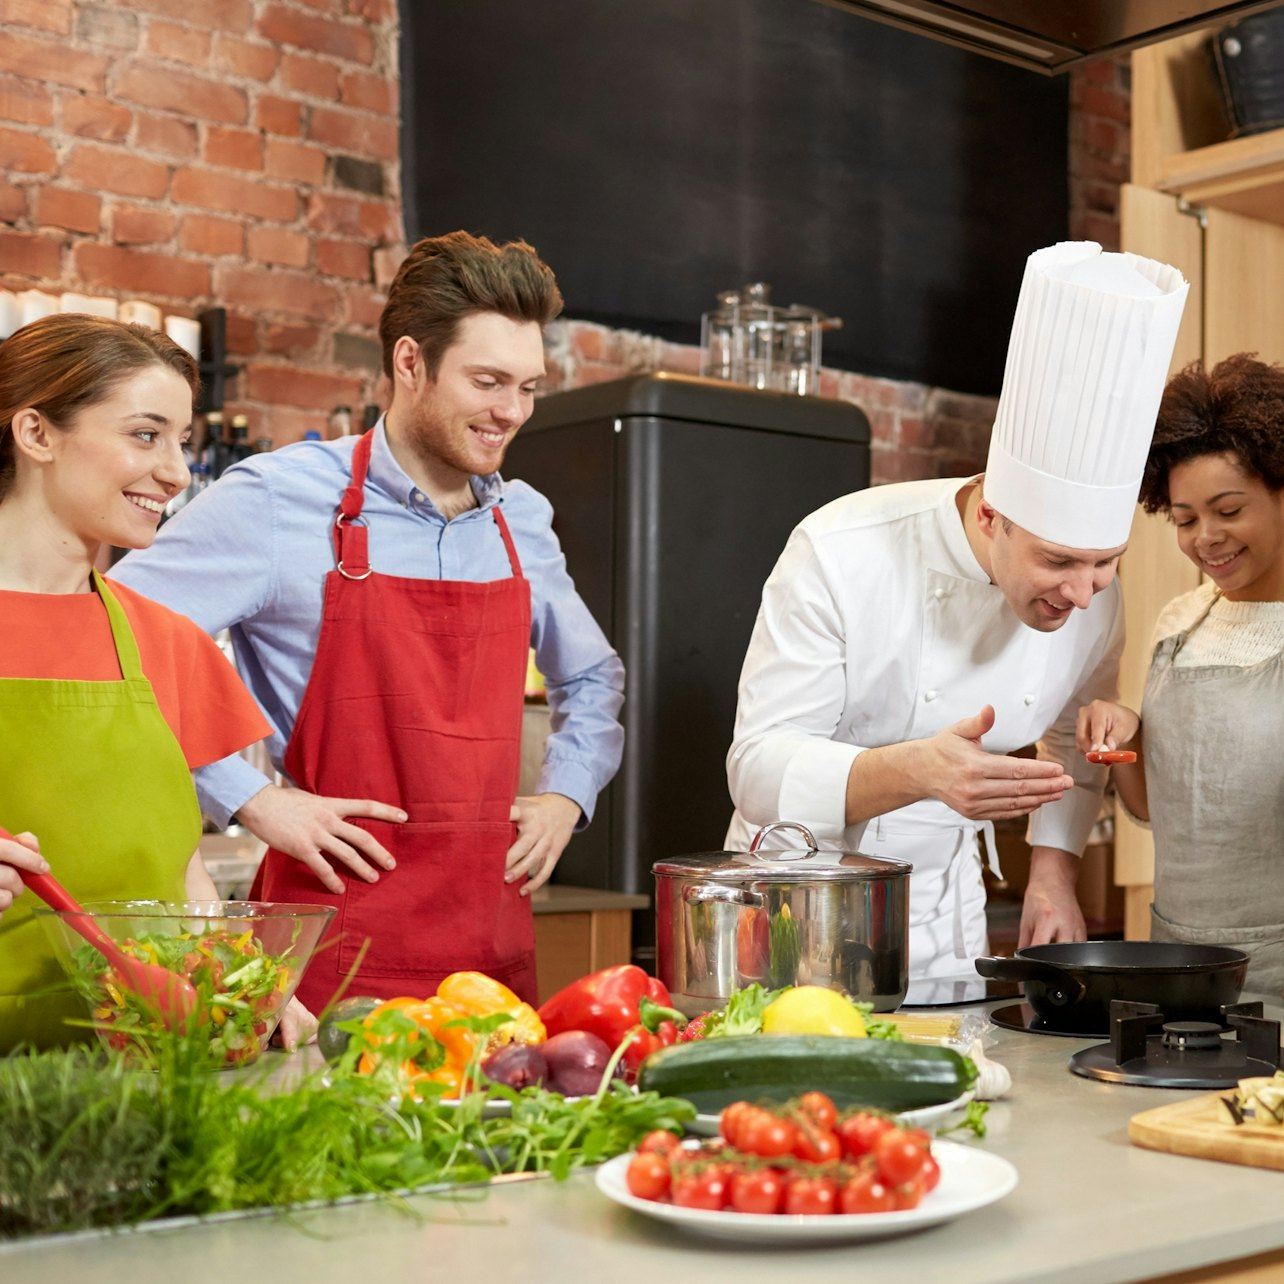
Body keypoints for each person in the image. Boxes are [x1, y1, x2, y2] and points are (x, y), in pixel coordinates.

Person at [115, 232, 625, 1011]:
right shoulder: (277, 501)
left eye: (528, 387)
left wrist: (567, 795)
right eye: (488, 382)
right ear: (410, 363)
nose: (512, 413)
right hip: (330, 949)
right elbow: (115, 635)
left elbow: (592, 674)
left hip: (490, 955)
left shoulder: (521, 520)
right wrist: (248, 799)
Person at [726, 241, 1188, 980]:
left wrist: (1053, 870)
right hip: (796, 908)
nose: (1083, 591)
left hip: (947, 920)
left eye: (1106, 561)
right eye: (1059, 561)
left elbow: (1073, 731)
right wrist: (916, 770)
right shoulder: (842, 550)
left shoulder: (1095, 594)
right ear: (990, 516)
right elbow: (757, 769)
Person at [0, 314, 272, 1049]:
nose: (178, 472)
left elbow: (183, 872)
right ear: (37, 434)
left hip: (148, 1065)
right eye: (145, 435)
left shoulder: (166, 641)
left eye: (181, 442)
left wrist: (237, 995)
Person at [1079, 354, 1284, 993]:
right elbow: (1152, 808)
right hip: (1178, 956)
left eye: (1228, 510)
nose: (1206, 539)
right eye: (1186, 519)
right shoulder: (1180, 622)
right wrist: (1124, 737)